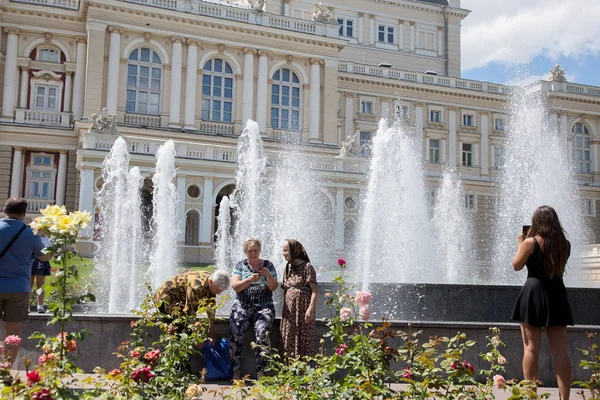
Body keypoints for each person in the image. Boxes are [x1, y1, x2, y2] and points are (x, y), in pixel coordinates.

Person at [512, 205, 573, 400]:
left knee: (531, 348)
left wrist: (521, 243)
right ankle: (565, 398)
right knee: (560, 351)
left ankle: (531, 396)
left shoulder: (530, 243)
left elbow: (516, 265)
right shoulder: (565, 244)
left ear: (537, 222)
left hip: (533, 293)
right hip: (557, 294)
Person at [0, 198, 51, 365]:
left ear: (4, 210)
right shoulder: (30, 233)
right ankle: (6, 371)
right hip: (19, 288)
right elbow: (44, 257)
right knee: (13, 334)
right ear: (24, 214)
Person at [229, 237, 278, 380]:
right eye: (250, 251)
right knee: (236, 328)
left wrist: (268, 276)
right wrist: (249, 280)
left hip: (263, 306)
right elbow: (235, 286)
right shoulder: (240, 266)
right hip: (243, 305)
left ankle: (260, 372)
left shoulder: (268, 265)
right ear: (245, 252)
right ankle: (236, 370)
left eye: (255, 250)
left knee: (262, 332)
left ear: (259, 251)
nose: (253, 253)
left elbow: (273, 287)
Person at [154, 269, 230, 341]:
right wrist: (197, 336)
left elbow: (211, 307)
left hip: (180, 299)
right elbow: (190, 312)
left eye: (220, 291)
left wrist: (211, 330)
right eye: (217, 290)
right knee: (180, 330)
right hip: (166, 297)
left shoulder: (213, 281)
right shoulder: (196, 286)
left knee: (184, 330)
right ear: (210, 282)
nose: (218, 293)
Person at [280, 239, 318, 359]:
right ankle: (289, 373)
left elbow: (315, 290)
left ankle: (304, 374)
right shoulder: (288, 268)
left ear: (294, 250)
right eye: (283, 250)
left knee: (304, 340)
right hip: (290, 313)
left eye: (286, 250)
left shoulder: (307, 267)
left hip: (303, 310)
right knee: (289, 340)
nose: (284, 253)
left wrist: (310, 309)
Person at [30, 227, 52, 313]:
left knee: (41, 284)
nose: (41, 230)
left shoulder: (49, 238)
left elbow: (51, 251)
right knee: (29, 283)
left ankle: (40, 306)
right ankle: (26, 305)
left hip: (43, 260)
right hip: (32, 260)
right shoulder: (33, 236)